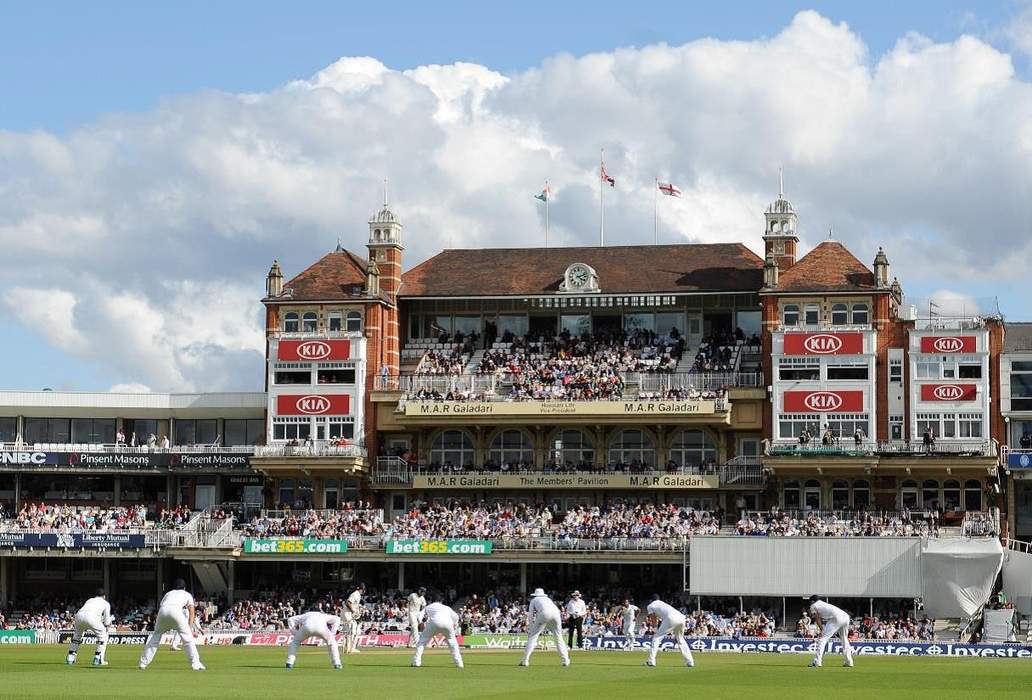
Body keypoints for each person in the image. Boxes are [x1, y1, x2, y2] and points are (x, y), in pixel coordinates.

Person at [139, 579, 205, 671]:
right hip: (176, 612)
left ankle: (143, 663)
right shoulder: (187, 594)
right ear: (184, 588)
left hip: (163, 612)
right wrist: (189, 628)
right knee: (188, 640)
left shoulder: (169, 593)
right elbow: (191, 612)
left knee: (155, 638)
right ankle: (196, 664)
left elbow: (162, 605)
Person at [520, 588, 570, 667]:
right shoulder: (548, 599)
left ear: (535, 595)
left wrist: (531, 628)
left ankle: (525, 660)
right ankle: (566, 660)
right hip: (556, 614)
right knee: (559, 637)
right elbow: (556, 610)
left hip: (544, 614)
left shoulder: (534, 600)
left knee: (533, 637)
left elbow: (531, 615)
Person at [410, 600, 464, 669]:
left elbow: (419, 616)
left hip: (434, 622)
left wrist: (421, 623)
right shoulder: (446, 607)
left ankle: (416, 662)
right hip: (448, 623)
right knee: (453, 643)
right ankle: (459, 663)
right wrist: (455, 625)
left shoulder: (428, 607)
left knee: (422, 641)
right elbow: (456, 617)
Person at [66, 588, 112, 666]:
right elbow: (107, 620)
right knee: (103, 636)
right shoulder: (106, 603)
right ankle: (98, 658)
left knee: (77, 637)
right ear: (104, 596)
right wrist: (107, 624)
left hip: (79, 616)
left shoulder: (90, 600)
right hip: (92, 617)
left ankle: (70, 658)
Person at [645, 595, 694, 668]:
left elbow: (654, 620)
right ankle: (690, 662)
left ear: (651, 600)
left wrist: (654, 629)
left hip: (671, 618)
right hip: (681, 617)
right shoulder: (662, 603)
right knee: (680, 640)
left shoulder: (650, 606)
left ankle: (651, 661)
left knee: (656, 638)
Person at [807, 595, 853, 667]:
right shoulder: (822, 604)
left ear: (812, 601)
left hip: (836, 617)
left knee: (822, 639)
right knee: (844, 640)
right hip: (846, 616)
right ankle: (849, 662)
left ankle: (817, 662)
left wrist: (822, 630)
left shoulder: (813, 606)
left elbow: (817, 618)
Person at [343, 582, 366, 654]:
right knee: (351, 631)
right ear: (362, 589)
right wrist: (353, 611)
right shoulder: (355, 594)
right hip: (347, 614)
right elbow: (348, 603)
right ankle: (348, 649)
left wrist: (359, 609)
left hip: (350, 614)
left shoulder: (357, 595)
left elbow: (354, 605)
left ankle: (350, 648)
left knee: (354, 631)